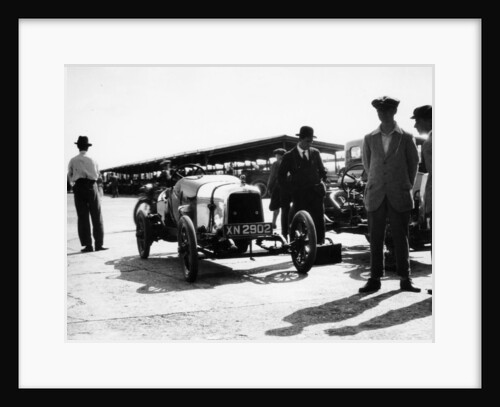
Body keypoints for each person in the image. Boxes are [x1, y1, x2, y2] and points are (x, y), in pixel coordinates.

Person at [359, 96, 420, 293]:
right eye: (379, 111)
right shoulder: (369, 138)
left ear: (394, 112)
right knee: (375, 237)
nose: (382, 114)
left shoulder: (406, 137)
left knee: (401, 237)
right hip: (376, 194)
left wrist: (404, 185)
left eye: (386, 111)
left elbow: (413, 164)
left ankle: (405, 278)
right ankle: (374, 278)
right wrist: (377, 182)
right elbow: (368, 165)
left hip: (399, 194)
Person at [278, 126, 328, 245]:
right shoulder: (289, 156)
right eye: (307, 141)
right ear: (300, 139)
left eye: (311, 141)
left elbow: (322, 171)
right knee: (299, 221)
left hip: (316, 193)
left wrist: (321, 183)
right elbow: (281, 177)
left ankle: (320, 246)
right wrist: (291, 190)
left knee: (319, 221)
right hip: (299, 195)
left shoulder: (315, 153)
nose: (310, 144)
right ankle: (297, 246)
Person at [68, 136, 107, 252]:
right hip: (92, 186)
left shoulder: (73, 160)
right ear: (87, 147)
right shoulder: (93, 160)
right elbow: (98, 175)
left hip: (79, 187)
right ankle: (99, 244)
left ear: (78, 147)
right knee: (97, 215)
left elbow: (69, 175)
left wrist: (73, 186)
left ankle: (88, 245)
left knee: (83, 216)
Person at [412, 104, 432, 294]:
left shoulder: (430, 143)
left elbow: (428, 171)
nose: (416, 125)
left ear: (427, 119)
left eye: (417, 120)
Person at [267, 148, 286, 229]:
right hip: (287, 187)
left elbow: (272, 177)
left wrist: (269, 187)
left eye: (276, 155)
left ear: (279, 155)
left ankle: (273, 223)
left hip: (277, 188)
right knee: (285, 207)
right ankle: (285, 225)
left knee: (276, 207)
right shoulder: (287, 163)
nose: (276, 156)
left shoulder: (276, 163)